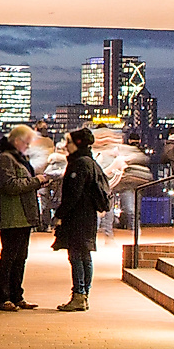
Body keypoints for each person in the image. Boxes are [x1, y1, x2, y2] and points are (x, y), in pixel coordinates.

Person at [51, 127, 108, 312]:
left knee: (76, 256)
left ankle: (79, 294)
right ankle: (84, 295)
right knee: (85, 255)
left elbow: (73, 194)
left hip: (78, 217)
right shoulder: (90, 162)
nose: (66, 146)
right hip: (88, 216)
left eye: (69, 142)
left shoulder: (79, 164)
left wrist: (59, 214)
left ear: (78, 144)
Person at [0, 126, 45, 311]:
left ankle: (17, 295)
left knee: (20, 257)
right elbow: (10, 185)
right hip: (13, 214)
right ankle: (3, 297)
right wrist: (38, 181)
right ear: (16, 141)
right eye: (26, 142)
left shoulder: (18, 158)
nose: (28, 146)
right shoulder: (5, 158)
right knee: (9, 257)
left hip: (23, 215)